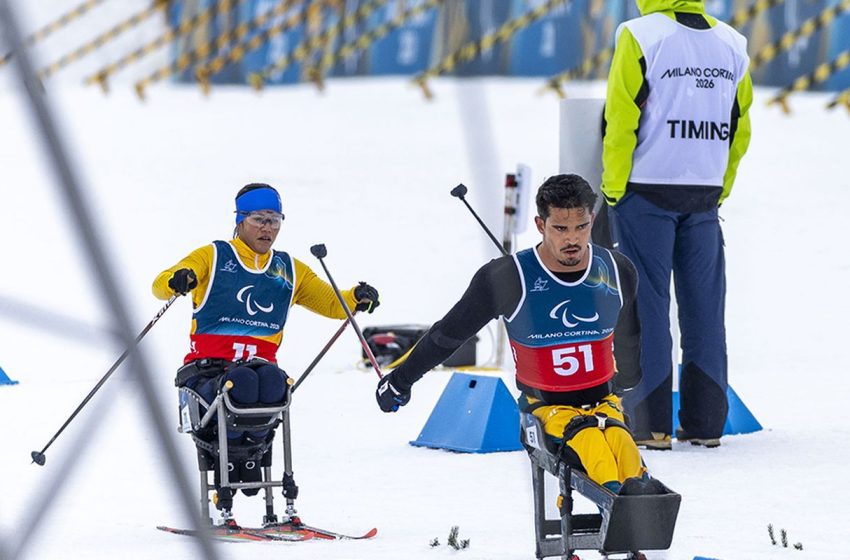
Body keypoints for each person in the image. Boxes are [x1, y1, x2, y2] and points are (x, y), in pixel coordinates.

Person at [376, 174, 660, 495]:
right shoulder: (508, 277)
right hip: (547, 410)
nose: (573, 240)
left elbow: (630, 340)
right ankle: (627, 508)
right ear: (540, 225)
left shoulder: (617, 270)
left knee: (624, 450)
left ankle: (642, 506)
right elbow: (449, 335)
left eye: (581, 227)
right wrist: (401, 380)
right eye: (560, 228)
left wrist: (625, 383)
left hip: (604, 403)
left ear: (592, 220)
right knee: (595, 449)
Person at [152, 182, 380, 510]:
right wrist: (178, 279)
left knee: (275, 382)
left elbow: (332, 304)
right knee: (241, 383)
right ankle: (228, 464)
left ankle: (251, 460)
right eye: (259, 218)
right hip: (207, 371)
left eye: (274, 220)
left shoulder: (288, 269)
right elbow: (160, 283)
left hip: (260, 370)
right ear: (240, 220)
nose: (267, 228)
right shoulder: (214, 256)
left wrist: (355, 297)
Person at [601, 0, 753, 449]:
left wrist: (613, 189)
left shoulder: (639, 34)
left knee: (644, 308)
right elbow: (739, 128)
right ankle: (706, 424)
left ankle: (651, 425)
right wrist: (719, 187)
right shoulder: (733, 43)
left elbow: (621, 118)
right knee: (705, 310)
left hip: (645, 191)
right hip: (703, 194)